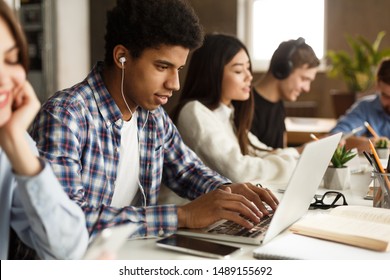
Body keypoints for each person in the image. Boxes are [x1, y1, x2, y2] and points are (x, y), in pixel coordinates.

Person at [29, 0, 279, 239]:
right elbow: (66, 222)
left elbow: (187, 171)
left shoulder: (152, 115)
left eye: (178, 69)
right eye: (162, 67)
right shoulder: (66, 115)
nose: (174, 84)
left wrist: (230, 193)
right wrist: (183, 215)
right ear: (121, 57)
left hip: (129, 254)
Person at [0, 0, 88, 260]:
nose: (5, 78)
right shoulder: (68, 110)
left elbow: (67, 251)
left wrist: (16, 143)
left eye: (12, 59)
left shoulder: (9, 143)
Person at [172, 33, 299, 186]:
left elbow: (261, 151)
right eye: (239, 71)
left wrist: (298, 153)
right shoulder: (194, 112)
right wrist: (295, 163)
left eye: (248, 68)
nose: (249, 77)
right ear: (213, 73)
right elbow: (239, 172)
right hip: (189, 206)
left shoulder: (227, 112)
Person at [250, 38, 320, 149]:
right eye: (304, 79)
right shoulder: (246, 106)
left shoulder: (278, 103)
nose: (307, 89)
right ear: (283, 70)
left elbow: (282, 151)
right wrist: (301, 151)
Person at [329, 58, 390, 151]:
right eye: (386, 96)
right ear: (377, 85)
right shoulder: (365, 107)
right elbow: (337, 134)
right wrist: (366, 143)